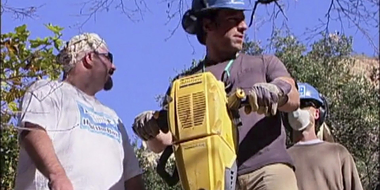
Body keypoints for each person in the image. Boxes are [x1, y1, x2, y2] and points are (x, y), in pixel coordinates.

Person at [132, 0, 301, 189]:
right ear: (207, 25)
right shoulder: (184, 84)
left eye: (243, 20)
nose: (244, 26)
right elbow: (163, 141)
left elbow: (293, 97)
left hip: (265, 171)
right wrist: (149, 129)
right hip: (211, 178)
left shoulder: (264, 63)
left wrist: (277, 91)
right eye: (233, 19)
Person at [14, 33, 145, 190]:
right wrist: (57, 176)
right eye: (109, 57)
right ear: (89, 57)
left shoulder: (113, 118)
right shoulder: (47, 91)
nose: (114, 67)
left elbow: (131, 176)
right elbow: (33, 130)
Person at [285, 82, 363, 190]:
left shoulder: (339, 154)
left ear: (317, 113)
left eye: (304, 104)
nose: (298, 109)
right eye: (293, 106)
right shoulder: (283, 160)